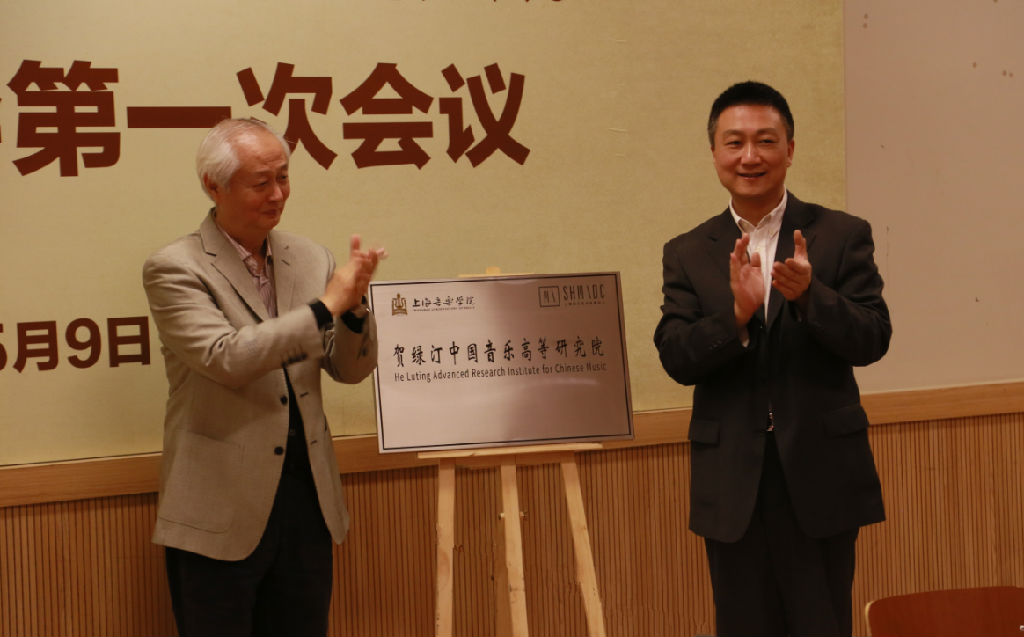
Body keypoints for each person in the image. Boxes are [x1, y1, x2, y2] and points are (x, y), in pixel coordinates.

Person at [654, 81, 891, 636]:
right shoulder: (688, 251)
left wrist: (811, 297)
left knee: (821, 623)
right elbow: (676, 356)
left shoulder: (840, 235)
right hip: (731, 480)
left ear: (790, 149)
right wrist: (735, 316)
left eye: (765, 140)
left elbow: (873, 338)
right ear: (714, 152)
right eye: (734, 142)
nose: (750, 156)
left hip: (820, 471)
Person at [143, 118, 385, 636]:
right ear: (214, 185)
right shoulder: (175, 267)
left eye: (284, 177)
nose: (277, 194)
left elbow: (350, 369)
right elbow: (227, 358)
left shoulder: (311, 257)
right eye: (260, 182)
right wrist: (326, 306)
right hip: (219, 507)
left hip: (307, 502)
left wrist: (354, 309)